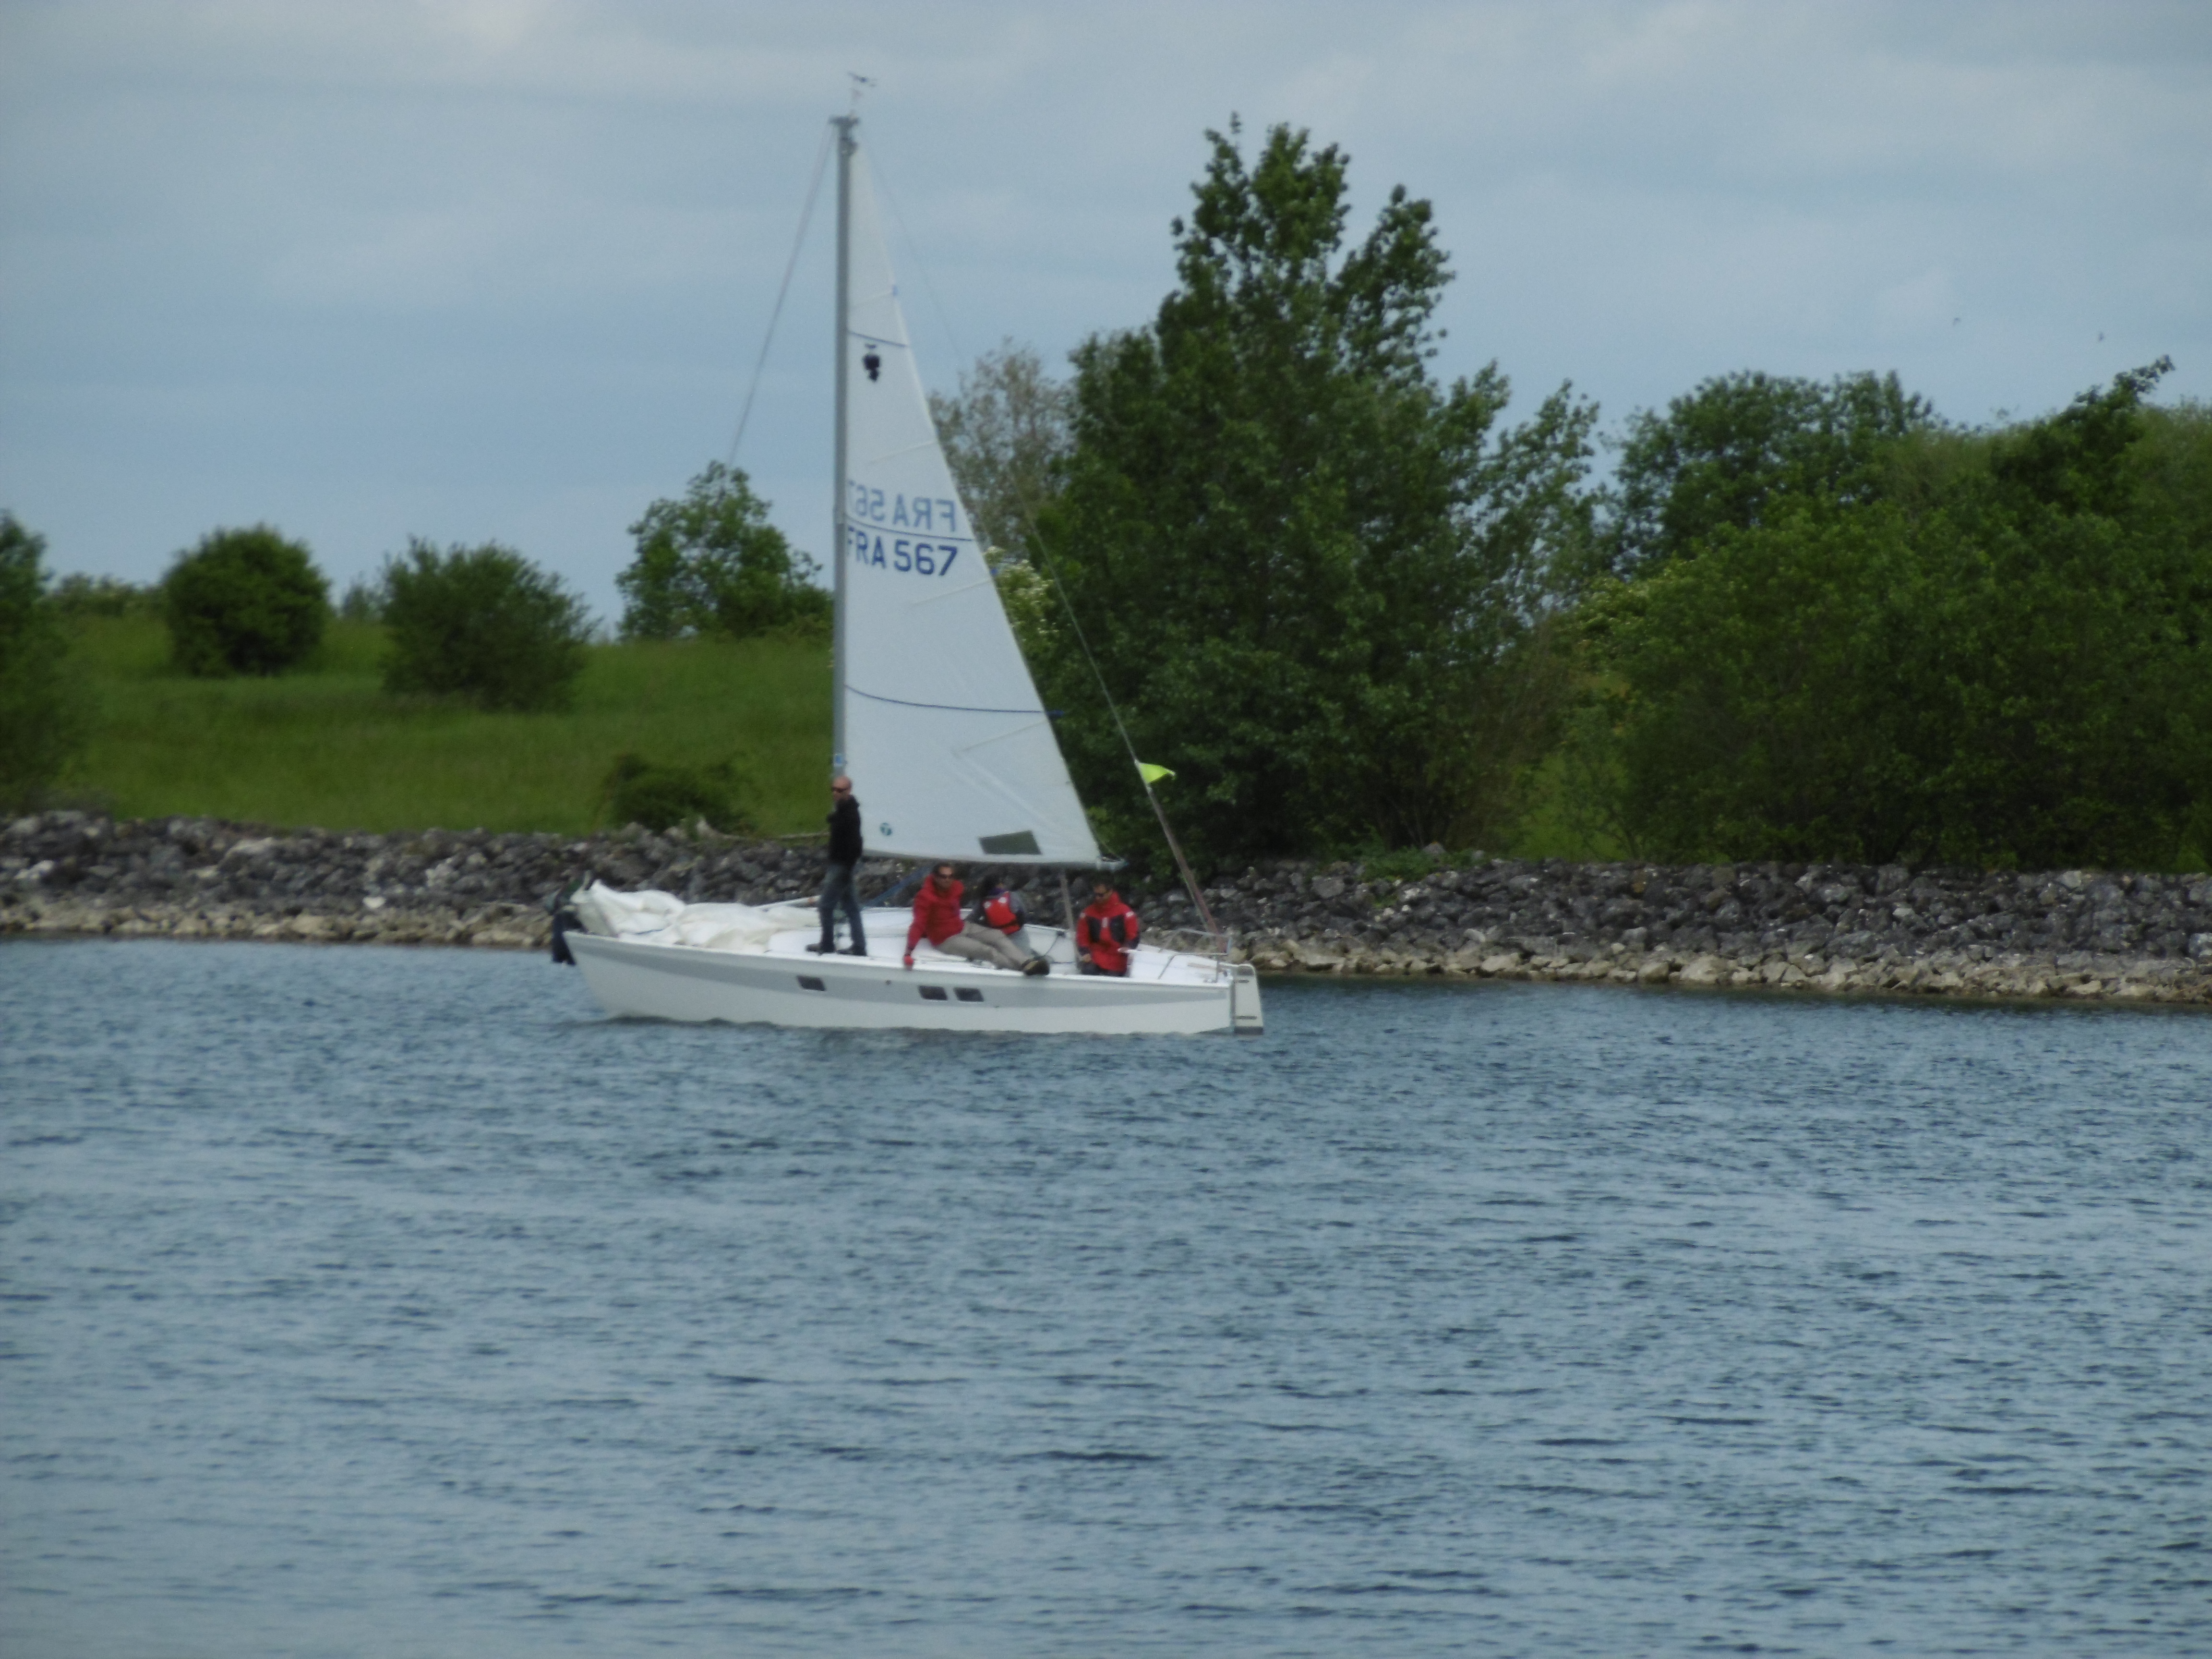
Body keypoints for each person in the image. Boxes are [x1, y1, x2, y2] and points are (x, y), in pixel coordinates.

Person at [904, 863, 1048, 975]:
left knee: (997, 935)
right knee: (986, 951)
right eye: (943, 877)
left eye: (951, 876)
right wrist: (908, 952)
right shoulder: (925, 898)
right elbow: (919, 923)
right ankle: (1022, 969)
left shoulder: (956, 888)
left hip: (961, 926)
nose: (947, 880)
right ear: (935, 877)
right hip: (945, 939)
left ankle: (1027, 962)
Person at [813, 775, 866, 955]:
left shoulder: (850, 815)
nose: (835, 793)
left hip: (841, 867)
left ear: (849, 791)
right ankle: (859, 946)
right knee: (851, 907)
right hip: (841, 865)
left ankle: (827, 944)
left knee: (825, 906)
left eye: (840, 790)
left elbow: (856, 845)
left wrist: (847, 868)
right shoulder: (844, 810)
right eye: (833, 789)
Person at [1076, 879, 1141, 976]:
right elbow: (1082, 936)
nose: (1098, 898)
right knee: (1088, 971)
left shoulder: (1125, 912)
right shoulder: (1088, 913)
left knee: (1112, 976)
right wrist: (1085, 952)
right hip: (1095, 957)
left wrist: (1128, 946)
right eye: (1096, 895)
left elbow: (1133, 935)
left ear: (1110, 892)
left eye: (1101, 895)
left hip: (1117, 959)